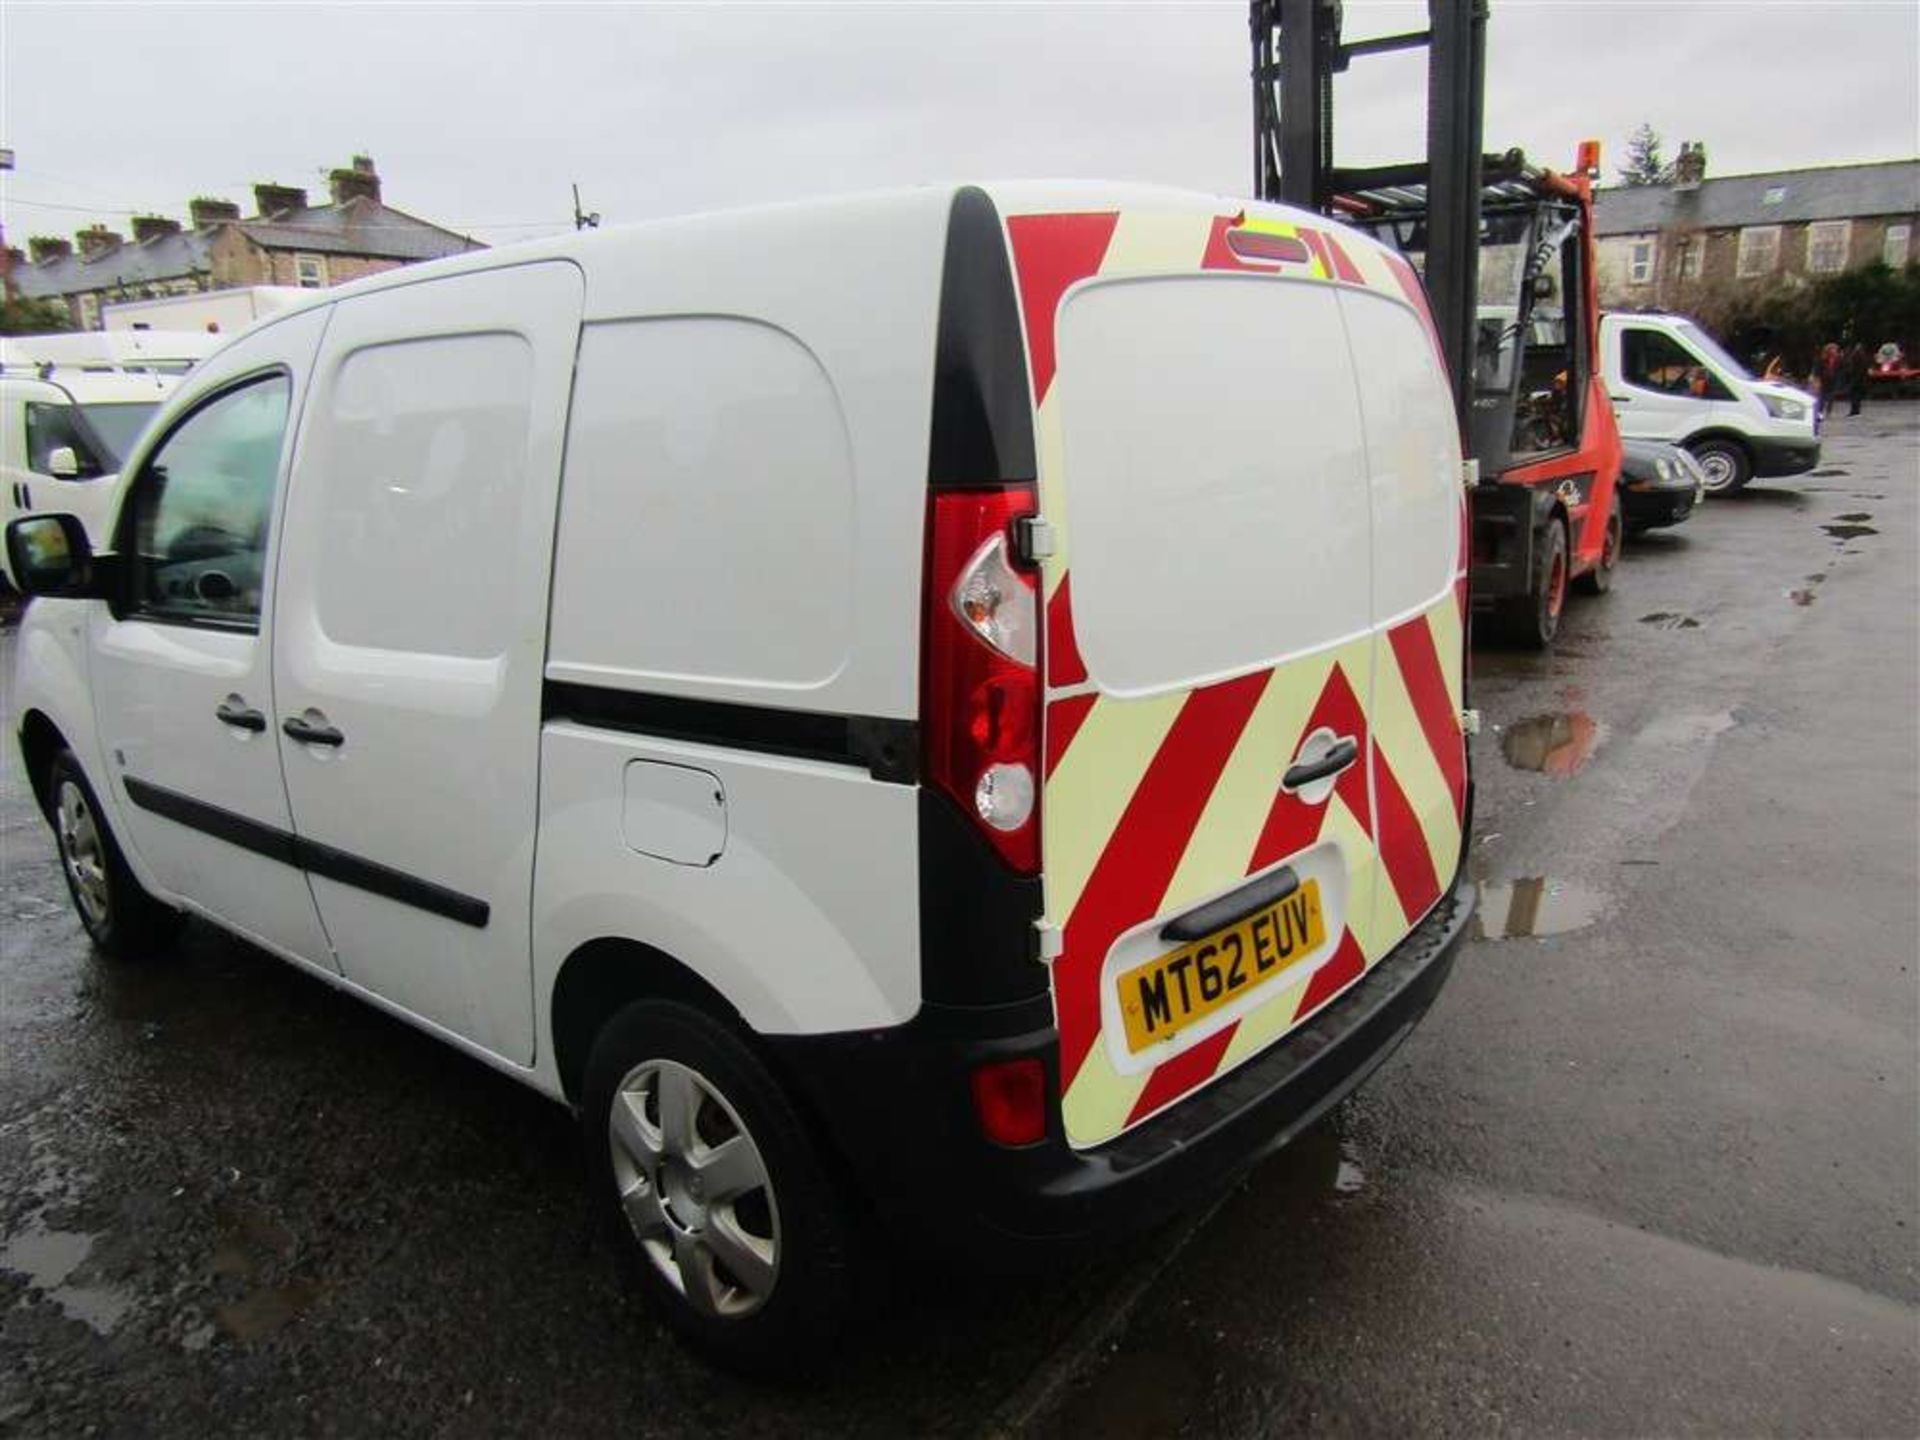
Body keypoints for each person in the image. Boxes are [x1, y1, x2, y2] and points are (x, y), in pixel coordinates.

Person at [1844, 340, 1871, 417]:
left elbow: (1856, 369)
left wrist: (1853, 377)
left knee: (1854, 395)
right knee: (1856, 396)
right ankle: (1856, 411)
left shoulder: (1857, 356)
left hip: (1857, 379)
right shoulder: (1863, 356)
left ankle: (1854, 411)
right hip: (1859, 379)